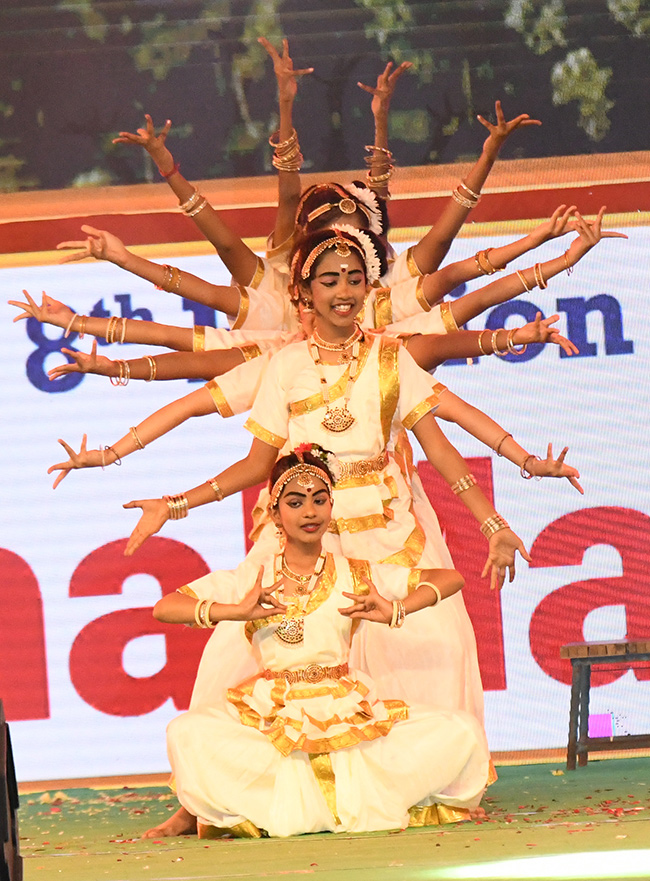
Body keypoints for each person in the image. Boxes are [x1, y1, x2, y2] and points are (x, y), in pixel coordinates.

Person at [147, 446, 490, 838]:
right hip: (275, 716)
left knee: (461, 730)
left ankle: (316, 804)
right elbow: (165, 607)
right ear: (275, 514)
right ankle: (306, 804)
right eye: (295, 502)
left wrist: (396, 609)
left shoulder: (356, 573)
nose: (309, 512)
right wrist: (233, 612)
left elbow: (450, 579)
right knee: (185, 732)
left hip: (346, 710)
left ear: (331, 508)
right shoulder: (251, 578)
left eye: (319, 500)